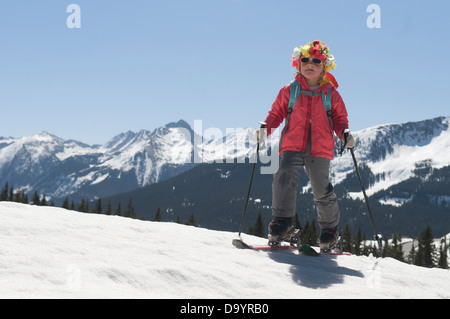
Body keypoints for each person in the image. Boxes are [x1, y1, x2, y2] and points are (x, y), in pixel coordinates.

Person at [257, 40, 355, 250]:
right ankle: (283, 222)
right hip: (292, 145)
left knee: (321, 189)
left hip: (320, 148)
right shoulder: (289, 91)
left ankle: (330, 230)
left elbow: (340, 120)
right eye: (305, 60)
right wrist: (266, 128)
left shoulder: (331, 95)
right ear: (298, 63)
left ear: (324, 66)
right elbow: (276, 113)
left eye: (316, 61)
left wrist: (344, 133)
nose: (309, 64)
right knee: (283, 178)